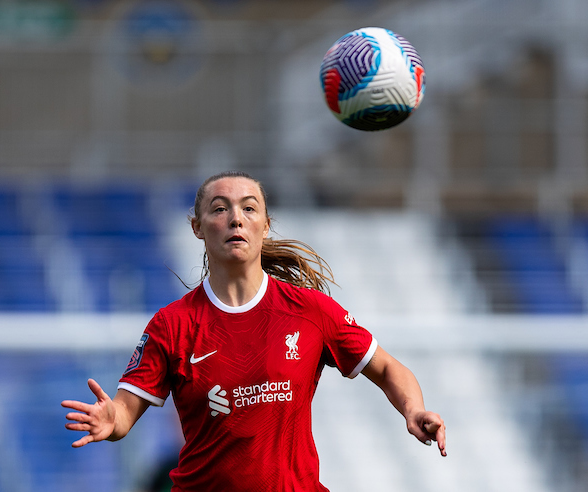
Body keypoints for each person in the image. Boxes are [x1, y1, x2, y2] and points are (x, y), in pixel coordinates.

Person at [62, 170, 446, 491]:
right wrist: (111, 419)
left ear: (265, 225)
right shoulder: (172, 324)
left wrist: (413, 410)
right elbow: (124, 414)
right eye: (219, 209)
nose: (236, 218)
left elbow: (388, 368)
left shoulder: (309, 310)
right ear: (197, 227)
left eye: (249, 208)